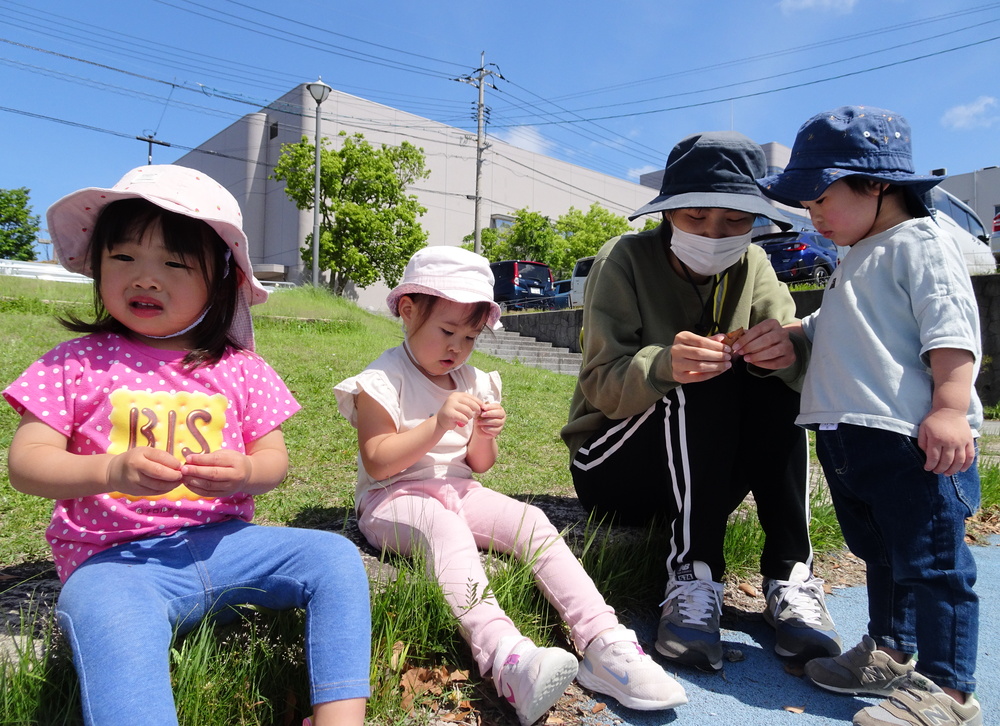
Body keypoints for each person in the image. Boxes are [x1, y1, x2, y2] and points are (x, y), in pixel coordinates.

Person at [4, 165, 371, 726]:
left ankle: (340, 716)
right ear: (97, 266)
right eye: (124, 258)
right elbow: (27, 465)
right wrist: (109, 471)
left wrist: (245, 472)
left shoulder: (240, 368)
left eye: (174, 263)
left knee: (335, 558)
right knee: (105, 614)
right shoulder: (75, 363)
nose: (145, 279)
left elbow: (276, 461)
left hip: (228, 543)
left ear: (219, 281)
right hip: (114, 560)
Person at [334, 246, 687, 726]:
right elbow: (378, 463)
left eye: (470, 337)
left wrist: (483, 434)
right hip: (393, 498)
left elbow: (480, 465)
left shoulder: (473, 380)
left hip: (458, 488)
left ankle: (605, 641)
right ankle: (506, 659)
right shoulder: (381, 379)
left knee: (532, 520)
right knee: (445, 531)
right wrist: (436, 425)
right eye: (446, 331)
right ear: (408, 310)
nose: (457, 347)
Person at [562, 131, 842, 673]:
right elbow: (600, 384)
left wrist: (788, 352)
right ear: (667, 214)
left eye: (736, 221)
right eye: (695, 217)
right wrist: (665, 364)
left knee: (773, 375)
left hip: (706, 473)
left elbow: (799, 362)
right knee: (701, 377)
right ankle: (692, 577)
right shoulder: (623, 258)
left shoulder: (755, 265)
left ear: (756, 222)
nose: (715, 234)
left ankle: (791, 577)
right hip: (612, 466)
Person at [758, 105, 983, 726]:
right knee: (882, 553)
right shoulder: (859, 252)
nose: (814, 215)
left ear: (877, 183)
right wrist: (790, 333)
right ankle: (889, 648)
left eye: (821, 196)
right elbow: (835, 327)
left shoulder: (922, 244)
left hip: (911, 437)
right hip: (854, 435)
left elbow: (952, 331)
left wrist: (948, 408)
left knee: (934, 562)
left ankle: (951, 689)